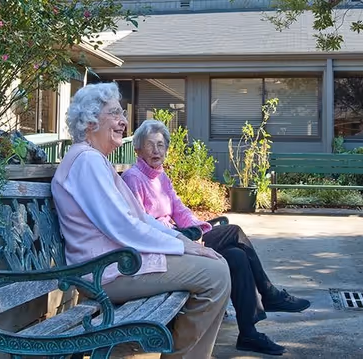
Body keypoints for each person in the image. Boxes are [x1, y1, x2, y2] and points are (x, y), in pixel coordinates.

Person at [51, 83, 231, 359]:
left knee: (216, 265)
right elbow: (123, 226)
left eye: (122, 114)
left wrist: (181, 239)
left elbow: (140, 217)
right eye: (115, 113)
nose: (124, 121)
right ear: (90, 121)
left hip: (118, 264)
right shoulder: (86, 162)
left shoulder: (95, 161)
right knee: (215, 274)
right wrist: (183, 247)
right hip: (105, 273)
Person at [122, 119, 312, 356]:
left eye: (160, 145)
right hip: (167, 244)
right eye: (149, 145)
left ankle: (248, 334)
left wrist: (198, 229)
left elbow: (180, 210)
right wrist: (190, 237)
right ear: (138, 149)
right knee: (234, 231)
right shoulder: (133, 178)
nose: (156, 150)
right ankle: (270, 293)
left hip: (182, 236)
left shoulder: (161, 177)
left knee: (236, 256)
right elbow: (142, 226)